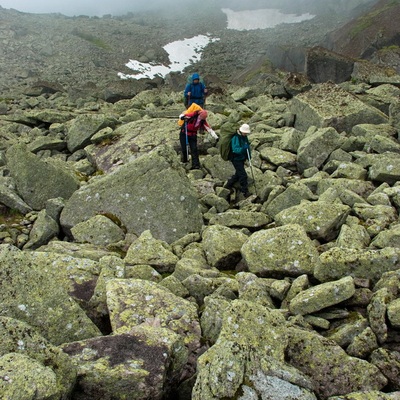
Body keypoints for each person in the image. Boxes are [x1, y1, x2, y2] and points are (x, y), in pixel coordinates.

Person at [224, 123, 251, 197]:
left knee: (238, 173)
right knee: (243, 175)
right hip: (236, 159)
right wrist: (243, 149)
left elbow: (247, 147)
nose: (246, 134)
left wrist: (249, 157)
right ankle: (244, 191)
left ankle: (228, 184)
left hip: (241, 158)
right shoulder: (235, 138)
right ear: (241, 131)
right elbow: (235, 149)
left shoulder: (244, 137)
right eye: (245, 133)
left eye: (246, 133)